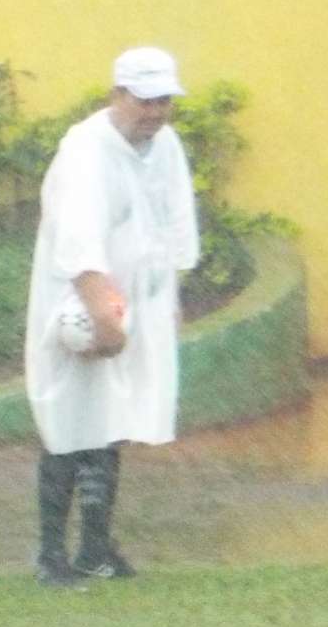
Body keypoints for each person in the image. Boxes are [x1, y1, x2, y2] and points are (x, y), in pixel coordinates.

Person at [25, 46, 198, 587]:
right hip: (81, 304)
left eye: (163, 100)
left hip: (139, 304)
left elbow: (173, 226)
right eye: (144, 100)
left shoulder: (164, 145)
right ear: (117, 95)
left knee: (112, 421)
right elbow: (77, 242)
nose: (155, 111)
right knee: (70, 426)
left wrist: (167, 300)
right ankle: (51, 555)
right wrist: (104, 319)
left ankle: (96, 549)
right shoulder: (84, 151)